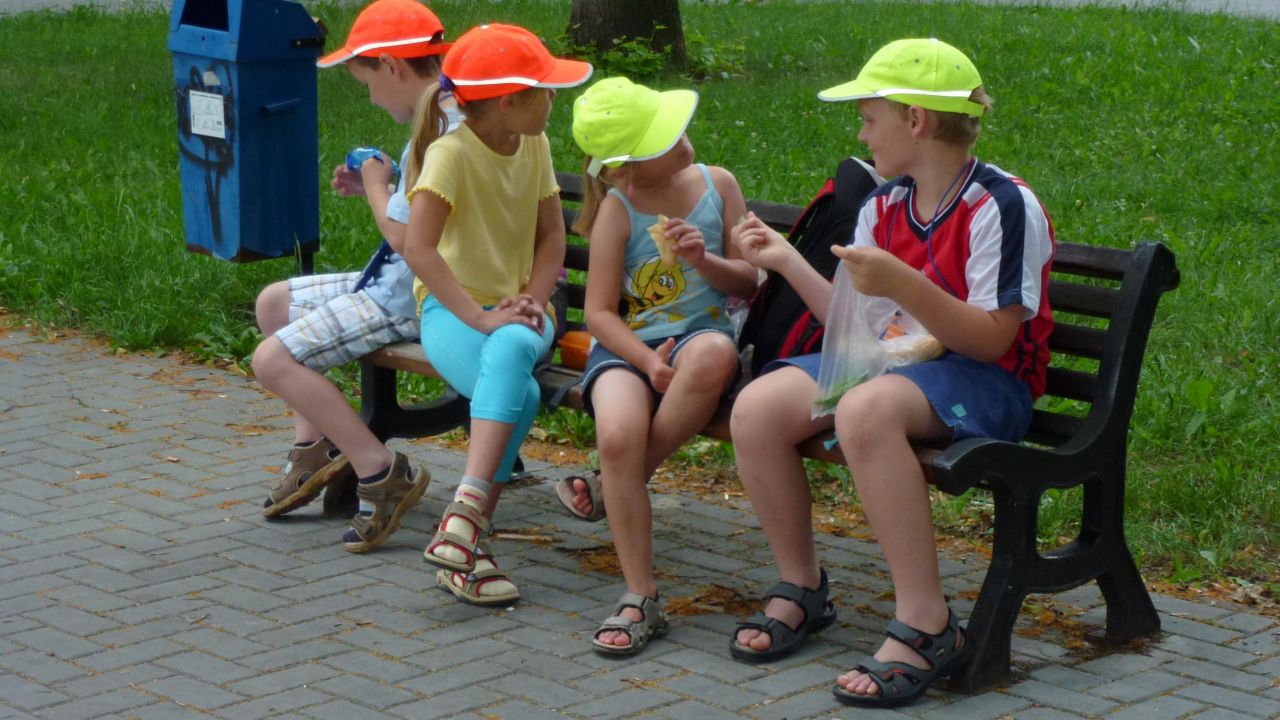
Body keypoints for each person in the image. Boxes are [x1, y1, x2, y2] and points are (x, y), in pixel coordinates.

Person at [729, 38, 1055, 708]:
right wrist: (788, 261)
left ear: (916, 119)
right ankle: (802, 586)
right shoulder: (883, 206)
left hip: (987, 381)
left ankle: (926, 623)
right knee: (758, 407)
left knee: (865, 410)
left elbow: (991, 341)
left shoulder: (1000, 205)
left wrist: (904, 282)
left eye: (869, 118)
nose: (861, 134)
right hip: (895, 367)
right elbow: (856, 331)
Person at [253, 0, 460, 554]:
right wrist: (381, 186)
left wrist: (374, 184)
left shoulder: (441, 130)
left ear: (390, 65)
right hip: (396, 278)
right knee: (274, 304)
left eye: (367, 82)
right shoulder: (442, 113)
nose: (370, 98)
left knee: (271, 360)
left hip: (413, 292)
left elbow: (406, 240)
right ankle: (314, 447)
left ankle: (379, 469)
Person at [567, 77, 758, 654]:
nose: (682, 139)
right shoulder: (618, 211)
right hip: (628, 349)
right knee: (617, 436)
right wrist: (648, 361)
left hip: (702, 333)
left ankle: (611, 483)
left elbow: (751, 282)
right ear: (627, 167)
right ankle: (639, 595)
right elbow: (599, 313)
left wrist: (704, 259)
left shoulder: (718, 185)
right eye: (663, 138)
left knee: (714, 355)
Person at [403, 23, 592, 606]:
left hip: (526, 307)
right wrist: (480, 317)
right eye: (544, 89)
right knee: (523, 395)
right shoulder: (450, 155)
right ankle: (469, 545)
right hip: (452, 313)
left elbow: (552, 238)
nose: (553, 98)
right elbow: (419, 249)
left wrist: (532, 297)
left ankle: (461, 519)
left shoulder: (535, 144)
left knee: (513, 346)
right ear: (509, 101)